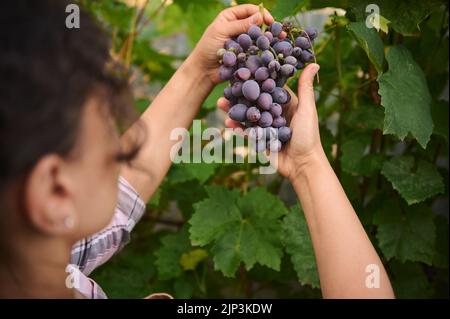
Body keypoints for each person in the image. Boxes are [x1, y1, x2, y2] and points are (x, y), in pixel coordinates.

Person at [0, 1, 394, 298]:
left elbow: (122, 189)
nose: (130, 142)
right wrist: (311, 165)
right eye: (109, 132)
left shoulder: (36, 255)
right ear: (53, 190)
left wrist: (201, 72)